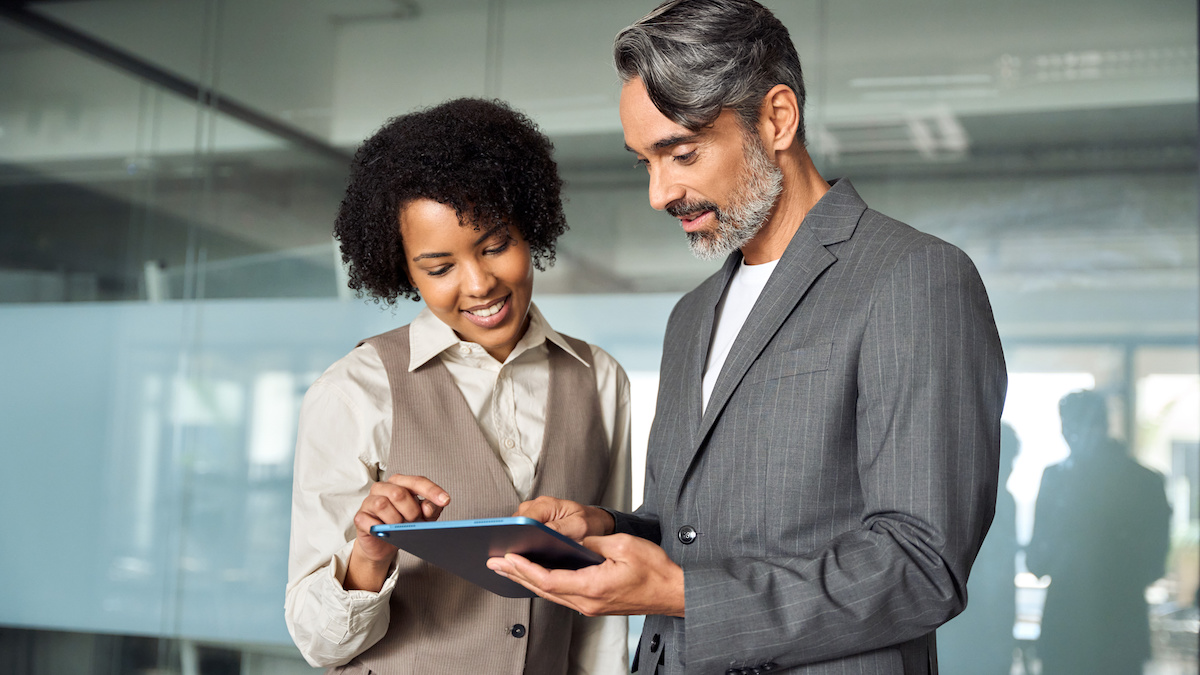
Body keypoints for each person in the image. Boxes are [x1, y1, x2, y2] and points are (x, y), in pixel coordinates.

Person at [486, 2, 1008, 673]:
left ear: (777, 118)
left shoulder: (913, 277)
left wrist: (681, 595)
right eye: (645, 160)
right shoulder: (691, 314)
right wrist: (608, 529)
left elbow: (921, 564)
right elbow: (697, 524)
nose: (658, 191)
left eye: (681, 152)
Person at [284, 98, 631, 674]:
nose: (478, 284)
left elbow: (599, 610)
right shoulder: (354, 390)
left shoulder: (601, 380)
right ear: (404, 269)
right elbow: (319, 643)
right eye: (439, 268)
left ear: (530, 227)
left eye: (496, 246)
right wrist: (370, 555)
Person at [1026, 390, 1170, 675]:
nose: (1068, 435)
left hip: (1071, 624)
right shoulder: (1145, 481)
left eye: (1072, 426)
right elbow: (1154, 564)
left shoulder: (1057, 478)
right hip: (1117, 624)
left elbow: (1037, 559)